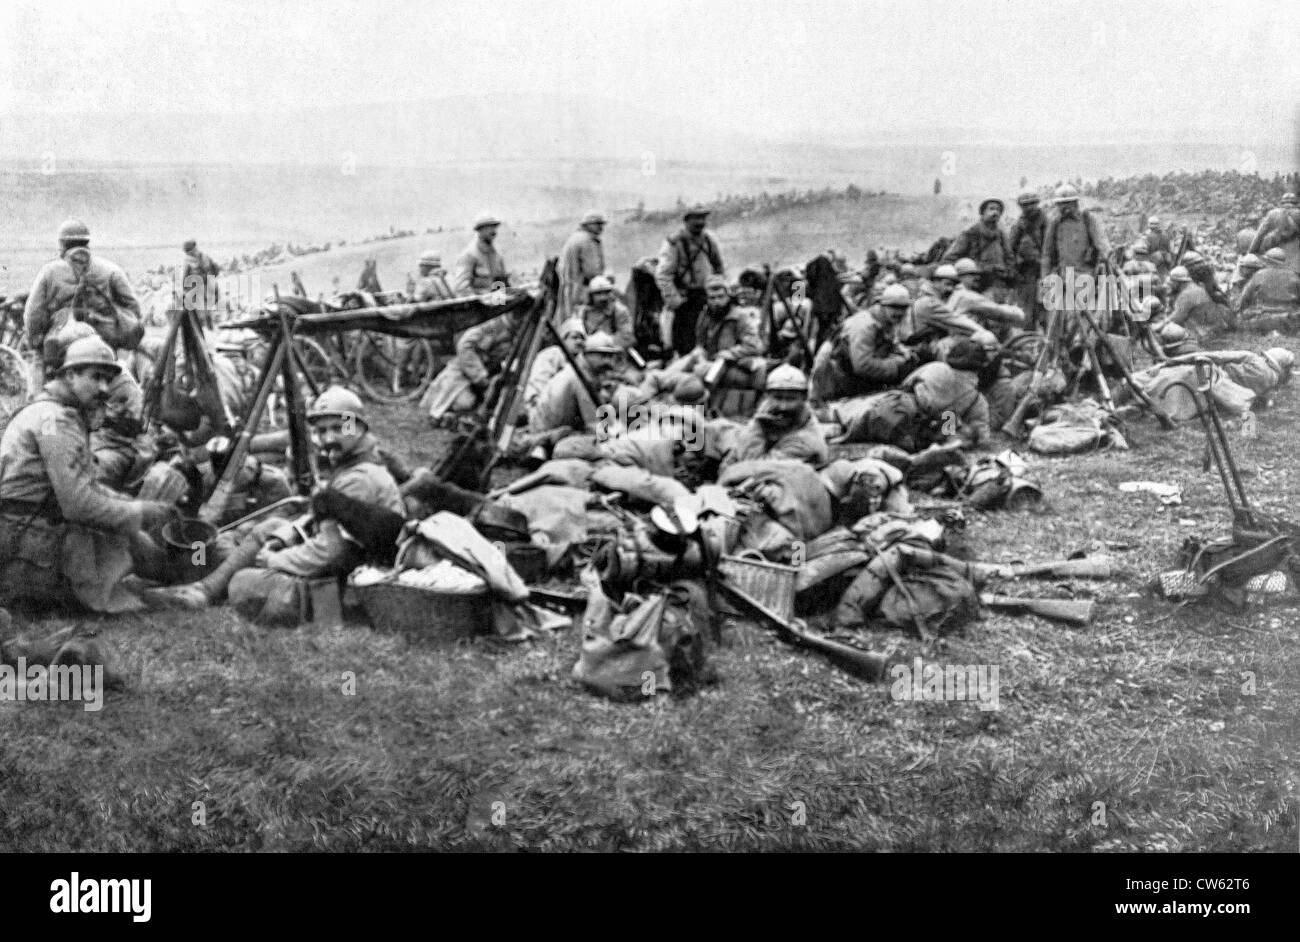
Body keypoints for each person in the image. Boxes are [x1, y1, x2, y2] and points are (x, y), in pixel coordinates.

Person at [146, 387, 404, 618]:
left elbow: (330, 551)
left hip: (341, 582)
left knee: (243, 583)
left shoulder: (361, 478)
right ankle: (204, 588)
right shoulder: (356, 466)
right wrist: (281, 538)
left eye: (338, 428)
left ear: (357, 427)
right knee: (266, 530)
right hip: (336, 563)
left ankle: (207, 586)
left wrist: (274, 559)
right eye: (322, 431)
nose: (327, 439)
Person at [0, 335, 178, 613]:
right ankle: (183, 579)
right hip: (32, 550)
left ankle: (181, 570)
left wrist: (134, 511)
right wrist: (140, 512)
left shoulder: (49, 410)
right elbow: (77, 505)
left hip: (27, 536)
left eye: (108, 380)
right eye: (96, 377)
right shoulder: (56, 419)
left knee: (132, 542)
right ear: (70, 375)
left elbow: (87, 483)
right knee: (130, 584)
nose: (104, 388)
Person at [24, 219, 143, 385]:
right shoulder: (111, 270)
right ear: (87, 242)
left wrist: (35, 342)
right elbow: (134, 309)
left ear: (62, 244)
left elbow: (33, 314)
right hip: (107, 346)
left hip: (62, 347)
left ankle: (36, 401)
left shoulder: (50, 272)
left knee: (38, 366)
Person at [422, 300, 531, 424]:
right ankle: (450, 415)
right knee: (464, 403)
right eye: (523, 317)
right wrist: (480, 377)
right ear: (516, 315)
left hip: (487, 376)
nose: (524, 322)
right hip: (462, 372)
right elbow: (464, 346)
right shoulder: (492, 324)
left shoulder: (516, 333)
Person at [816, 284, 916, 400]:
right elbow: (863, 366)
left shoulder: (886, 321)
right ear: (882, 305)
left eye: (903, 308)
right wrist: (896, 366)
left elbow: (891, 342)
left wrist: (904, 353)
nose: (899, 312)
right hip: (834, 376)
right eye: (894, 307)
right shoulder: (865, 326)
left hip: (849, 372)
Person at [721, 365, 828, 469]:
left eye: (791, 399)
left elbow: (753, 467)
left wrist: (757, 426)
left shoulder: (806, 440)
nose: (783, 406)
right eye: (778, 398)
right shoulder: (773, 417)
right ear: (767, 396)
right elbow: (731, 459)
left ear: (804, 398)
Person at [671, 274, 763, 391]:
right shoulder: (705, 315)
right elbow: (700, 342)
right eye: (712, 298)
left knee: (695, 376)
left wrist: (729, 354)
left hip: (730, 366)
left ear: (728, 297)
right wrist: (699, 353)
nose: (717, 302)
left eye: (720, 297)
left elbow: (755, 346)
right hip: (708, 360)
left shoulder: (741, 317)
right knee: (669, 372)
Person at [655, 205, 725, 356]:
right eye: (696, 218)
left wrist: (719, 290)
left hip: (706, 297)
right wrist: (675, 301)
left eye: (702, 218)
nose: (700, 222)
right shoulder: (674, 243)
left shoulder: (708, 239)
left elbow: (719, 267)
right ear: (686, 220)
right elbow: (663, 275)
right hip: (685, 299)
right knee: (685, 344)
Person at [901, 264, 997, 360]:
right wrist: (983, 333)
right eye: (947, 284)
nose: (950, 289)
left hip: (916, 348)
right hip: (917, 352)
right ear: (936, 282)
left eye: (953, 286)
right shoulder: (929, 303)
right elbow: (956, 320)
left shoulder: (925, 297)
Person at [942, 198, 1014, 300]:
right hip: (977, 281)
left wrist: (1008, 273)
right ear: (982, 212)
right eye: (991, 209)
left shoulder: (1001, 234)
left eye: (998, 210)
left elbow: (1009, 256)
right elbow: (950, 257)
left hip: (998, 282)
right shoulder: (971, 232)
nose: (995, 212)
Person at [1040, 185, 1111, 284]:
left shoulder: (1088, 219)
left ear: (1075, 203)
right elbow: (1047, 254)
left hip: (1086, 278)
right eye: (1061, 204)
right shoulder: (1055, 223)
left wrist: (1110, 259)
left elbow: (1102, 244)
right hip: (1062, 279)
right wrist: (1045, 279)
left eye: (1068, 203)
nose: (1064, 207)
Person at [947, 258, 1027, 343]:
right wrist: (1017, 312)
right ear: (960, 276)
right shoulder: (967, 296)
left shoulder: (952, 293)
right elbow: (996, 311)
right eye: (972, 274)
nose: (976, 277)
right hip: (965, 341)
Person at [524, 317, 587, 409]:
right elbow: (539, 382)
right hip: (544, 406)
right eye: (574, 337)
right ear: (564, 340)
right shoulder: (553, 354)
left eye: (582, 339)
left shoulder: (581, 361)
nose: (579, 342)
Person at [1007, 192, 1047, 327]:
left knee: (1046, 307)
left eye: (1031, 204)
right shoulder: (1019, 225)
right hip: (1026, 271)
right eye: (1025, 205)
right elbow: (1010, 249)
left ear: (1037, 204)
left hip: (1046, 270)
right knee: (1027, 308)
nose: (1029, 207)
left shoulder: (1047, 222)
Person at [558, 212, 608, 317]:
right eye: (597, 224)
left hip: (569, 288)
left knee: (572, 319)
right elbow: (592, 272)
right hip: (582, 290)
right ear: (588, 225)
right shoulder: (588, 241)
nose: (601, 228)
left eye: (601, 224)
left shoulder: (574, 238)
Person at [1237, 247, 1300, 325]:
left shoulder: (1259, 275)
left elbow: (1244, 299)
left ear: (1266, 260)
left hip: (1264, 319)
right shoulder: (1294, 276)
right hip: (1290, 319)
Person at [451, 214, 509, 296]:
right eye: (488, 227)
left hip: (497, 302)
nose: (493, 231)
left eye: (494, 227)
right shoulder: (468, 255)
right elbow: (461, 289)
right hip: (478, 305)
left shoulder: (497, 256)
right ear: (479, 230)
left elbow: (503, 284)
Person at [575, 276, 635, 349]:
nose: (603, 297)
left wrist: (607, 341)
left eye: (606, 292)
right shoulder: (582, 312)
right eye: (598, 293)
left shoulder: (619, 311)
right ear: (591, 295)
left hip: (611, 354)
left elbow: (628, 338)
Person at [1246, 192, 1299, 263]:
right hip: (1295, 255)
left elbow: (1260, 235)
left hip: (1273, 254)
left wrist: (1251, 252)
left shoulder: (1272, 213)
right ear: (1296, 203)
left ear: (1282, 203)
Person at [181, 239, 221, 329]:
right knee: (202, 314)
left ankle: (209, 331)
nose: (189, 254)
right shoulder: (199, 259)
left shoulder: (204, 258)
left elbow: (215, 270)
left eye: (190, 251)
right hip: (199, 291)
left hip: (205, 290)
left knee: (206, 313)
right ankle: (206, 331)